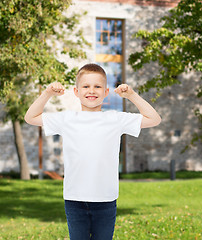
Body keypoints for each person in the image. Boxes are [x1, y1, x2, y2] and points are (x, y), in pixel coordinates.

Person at [24, 63, 161, 240]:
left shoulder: (115, 119)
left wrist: (132, 95)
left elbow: (154, 119)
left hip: (105, 199)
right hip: (75, 199)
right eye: (86, 86)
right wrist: (47, 93)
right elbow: (30, 117)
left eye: (97, 86)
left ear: (105, 92)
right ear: (76, 91)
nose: (92, 90)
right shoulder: (67, 118)